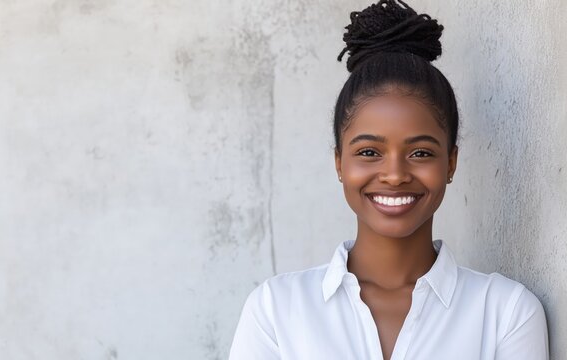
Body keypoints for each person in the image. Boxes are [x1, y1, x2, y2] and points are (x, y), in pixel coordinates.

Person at [228, 0, 549, 359]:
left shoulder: (507, 313)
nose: (395, 175)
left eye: (421, 153)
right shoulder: (276, 310)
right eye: (369, 152)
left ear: (451, 163)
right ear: (339, 163)